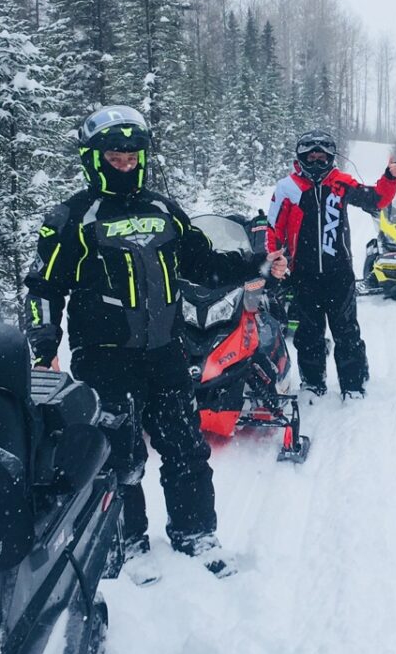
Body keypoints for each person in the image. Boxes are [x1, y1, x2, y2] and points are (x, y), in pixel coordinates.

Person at [23, 105, 287, 583]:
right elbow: (43, 288)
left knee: (186, 448)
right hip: (103, 360)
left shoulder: (164, 210)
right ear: (95, 159)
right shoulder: (73, 217)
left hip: (167, 353)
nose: (124, 164)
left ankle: (196, 534)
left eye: (131, 156)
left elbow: (203, 264)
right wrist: (44, 348)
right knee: (118, 458)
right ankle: (125, 542)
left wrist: (256, 265)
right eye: (115, 156)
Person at [267, 130, 396, 397]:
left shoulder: (341, 182)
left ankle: (354, 384)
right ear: (301, 157)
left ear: (330, 158)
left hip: (339, 273)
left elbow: (376, 199)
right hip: (303, 274)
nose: (316, 162)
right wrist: (274, 258)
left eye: (322, 157)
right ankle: (313, 383)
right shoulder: (287, 187)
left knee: (347, 332)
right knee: (308, 334)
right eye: (311, 157)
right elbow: (273, 228)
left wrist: (390, 179)